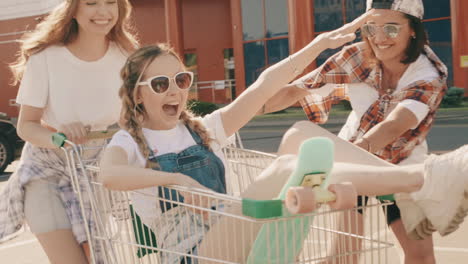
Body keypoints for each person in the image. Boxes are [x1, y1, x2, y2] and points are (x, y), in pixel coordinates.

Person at [98, 15, 468, 263]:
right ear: (137, 94)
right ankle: (424, 180)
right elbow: (109, 175)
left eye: (182, 81)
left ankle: (416, 184)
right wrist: (175, 179)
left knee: (303, 136)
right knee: (293, 166)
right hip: (194, 255)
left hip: (237, 235)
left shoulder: (203, 129)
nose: (175, 92)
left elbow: (263, 87)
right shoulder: (131, 141)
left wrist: (318, 45)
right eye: (160, 85)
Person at [262, 0, 452, 263]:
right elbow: (299, 89)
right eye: (371, 28)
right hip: (352, 152)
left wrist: (352, 157)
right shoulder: (355, 57)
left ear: (413, 30)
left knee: (420, 258)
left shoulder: (430, 73)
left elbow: (395, 125)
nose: (380, 38)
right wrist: (252, 105)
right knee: (344, 256)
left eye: (392, 29)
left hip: (401, 165)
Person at [0, 0, 138, 263]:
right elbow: (26, 125)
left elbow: (131, 119)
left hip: (96, 170)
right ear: (74, 9)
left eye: (111, 2)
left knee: (95, 258)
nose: (103, 11)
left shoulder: (127, 56)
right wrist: (59, 137)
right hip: (47, 168)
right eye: (91, 3)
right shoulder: (46, 58)